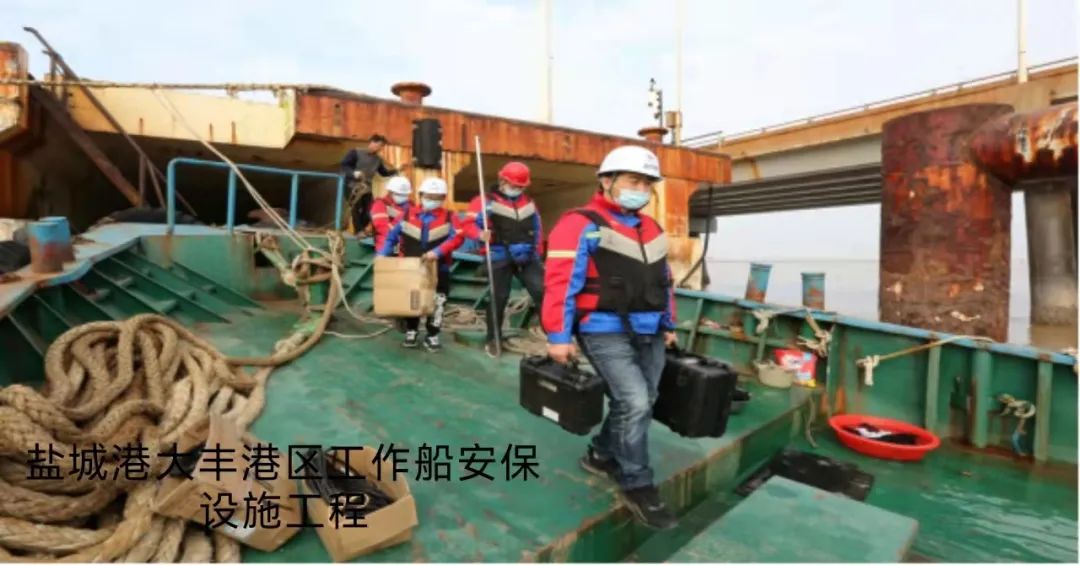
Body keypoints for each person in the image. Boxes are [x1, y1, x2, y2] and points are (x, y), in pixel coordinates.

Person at [540, 145, 679, 531]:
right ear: (606, 180)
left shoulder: (652, 229)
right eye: (634, 181)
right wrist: (558, 335)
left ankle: (601, 455)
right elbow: (560, 283)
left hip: (649, 327)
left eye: (647, 183)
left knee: (643, 398)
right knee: (635, 401)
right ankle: (637, 482)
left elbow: (664, 281)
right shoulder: (578, 223)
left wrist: (669, 323)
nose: (641, 190)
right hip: (602, 327)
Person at [463, 162, 546, 357]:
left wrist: (538, 252)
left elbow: (538, 229)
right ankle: (493, 338)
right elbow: (466, 225)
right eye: (514, 185)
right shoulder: (483, 201)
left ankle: (554, 335)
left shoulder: (529, 203)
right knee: (499, 297)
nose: (517, 189)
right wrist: (479, 234)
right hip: (499, 254)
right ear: (502, 181)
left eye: (521, 186)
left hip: (527, 255)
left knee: (543, 291)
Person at [377, 177, 464, 351]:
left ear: (443, 198)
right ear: (421, 195)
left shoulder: (450, 217)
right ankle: (411, 331)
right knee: (413, 299)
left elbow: (458, 238)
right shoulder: (406, 215)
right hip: (411, 266)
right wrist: (382, 255)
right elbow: (391, 237)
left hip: (440, 267)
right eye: (428, 196)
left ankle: (432, 335)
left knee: (438, 301)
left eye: (437, 197)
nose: (432, 200)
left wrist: (437, 252)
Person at [340, 134, 399, 235]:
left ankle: (365, 230)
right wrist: (353, 173)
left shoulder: (378, 159)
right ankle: (359, 232)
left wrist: (395, 171)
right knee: (356, 209)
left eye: (382, 146)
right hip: (352, 186)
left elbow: (383, 173)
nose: (380, 148)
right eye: (379, 145)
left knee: (370, 209)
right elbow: (344, 165)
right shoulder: (355, 152)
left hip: (367, 188)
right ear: (372, 142)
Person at [370, 175, 414, 252]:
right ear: (390, 192)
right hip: (386, 246)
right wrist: (401, 218)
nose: (402, 196)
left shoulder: (410, 205)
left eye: (405, 194)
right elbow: (383, 230)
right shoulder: (380, 205)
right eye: (399, 194)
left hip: (407, 247)